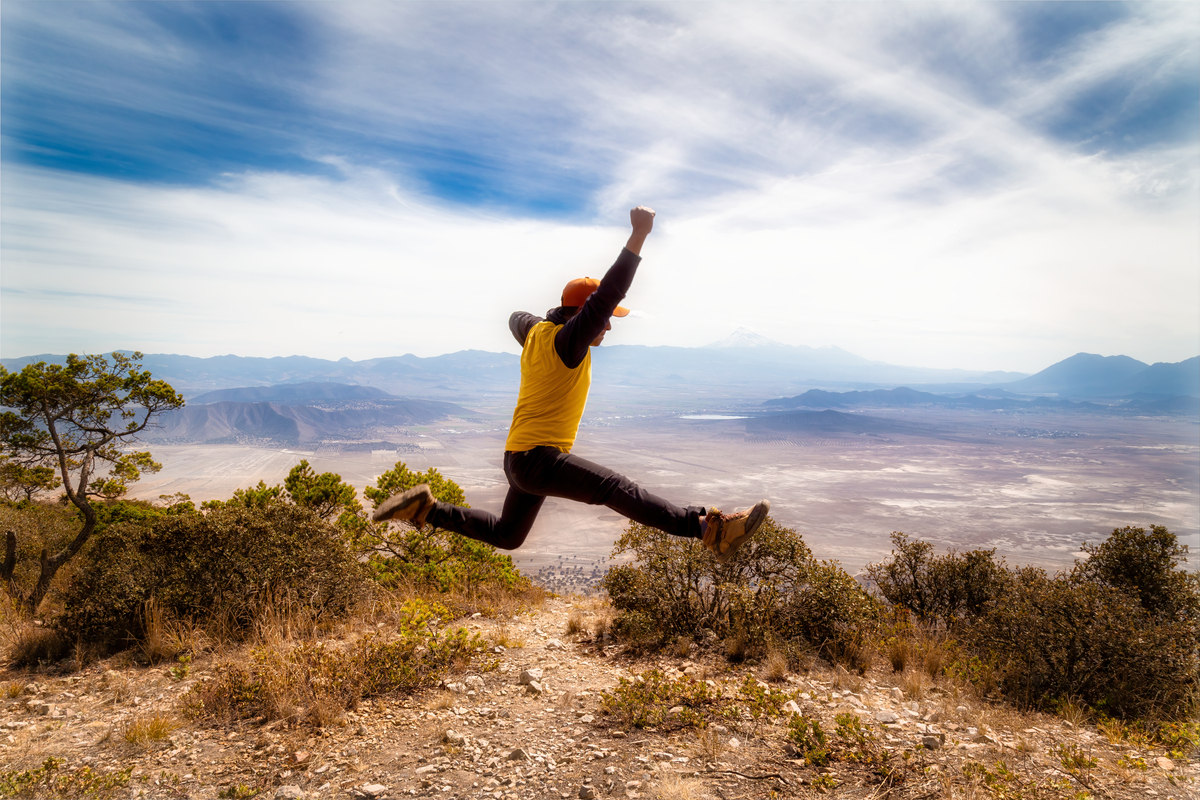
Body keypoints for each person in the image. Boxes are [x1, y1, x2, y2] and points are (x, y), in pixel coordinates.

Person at [373, 206, 770, 563]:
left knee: (507, 535)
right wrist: (639, 235)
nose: (609, 325)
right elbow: (608, 293)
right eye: (604, 317)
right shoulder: (568, 342)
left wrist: (540, 321)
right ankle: (708, 528)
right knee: (616, 488)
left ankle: (426, 509)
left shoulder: (538, 334)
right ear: (583, 316)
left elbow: (516, 316)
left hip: (519, 459)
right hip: (537, 459)